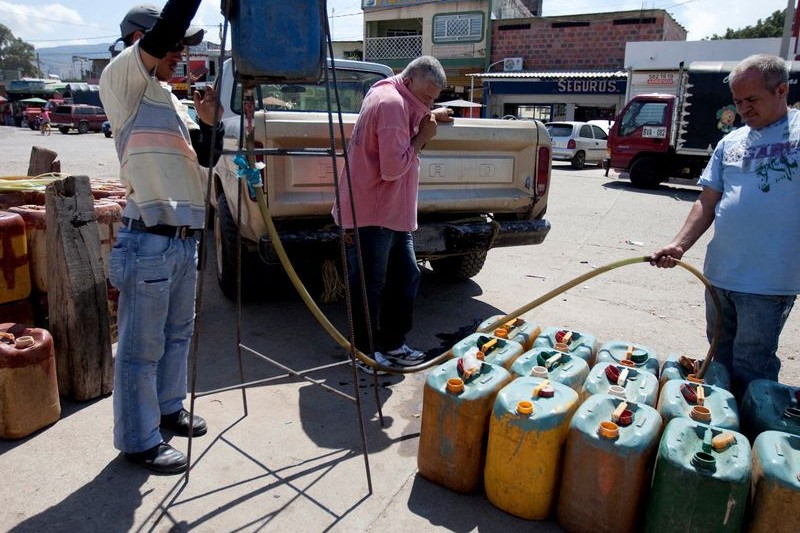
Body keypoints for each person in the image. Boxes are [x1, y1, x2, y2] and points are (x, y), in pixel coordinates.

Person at [100, 1, 223, 474]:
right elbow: (169, 23)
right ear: (139, 42)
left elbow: (203, 160)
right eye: (172, 45)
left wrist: (209, 121)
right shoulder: (123, 81)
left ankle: (169, 409)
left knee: (178, 335)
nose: (179, 53)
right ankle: (139, 439)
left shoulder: (169, 99)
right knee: (140, 349)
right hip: (148, 241)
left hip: (180, 240)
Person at [651, 54, 800, 398]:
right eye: (737, 101)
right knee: (720, 360)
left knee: (753, 367)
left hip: (769, 283)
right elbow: (707, 201)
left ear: (781, 90)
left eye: (752, 100)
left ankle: (756, 437)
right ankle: (724, 427)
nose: (744, 108)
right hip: (719, 276)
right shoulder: (730, 142)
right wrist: (679, 244)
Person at [332, 55, 453, 374]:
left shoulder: (389, 91)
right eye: (426, 96)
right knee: (371, 284)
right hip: (374, 211)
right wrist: (423, 138)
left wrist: (432, 113)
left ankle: (392, 343)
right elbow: (393, 167)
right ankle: (363, 352)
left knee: (406, 275)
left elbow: (411, 113)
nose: (428, 103)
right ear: (410, 81)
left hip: (390, 212)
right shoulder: (391, 105)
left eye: (433, 99)